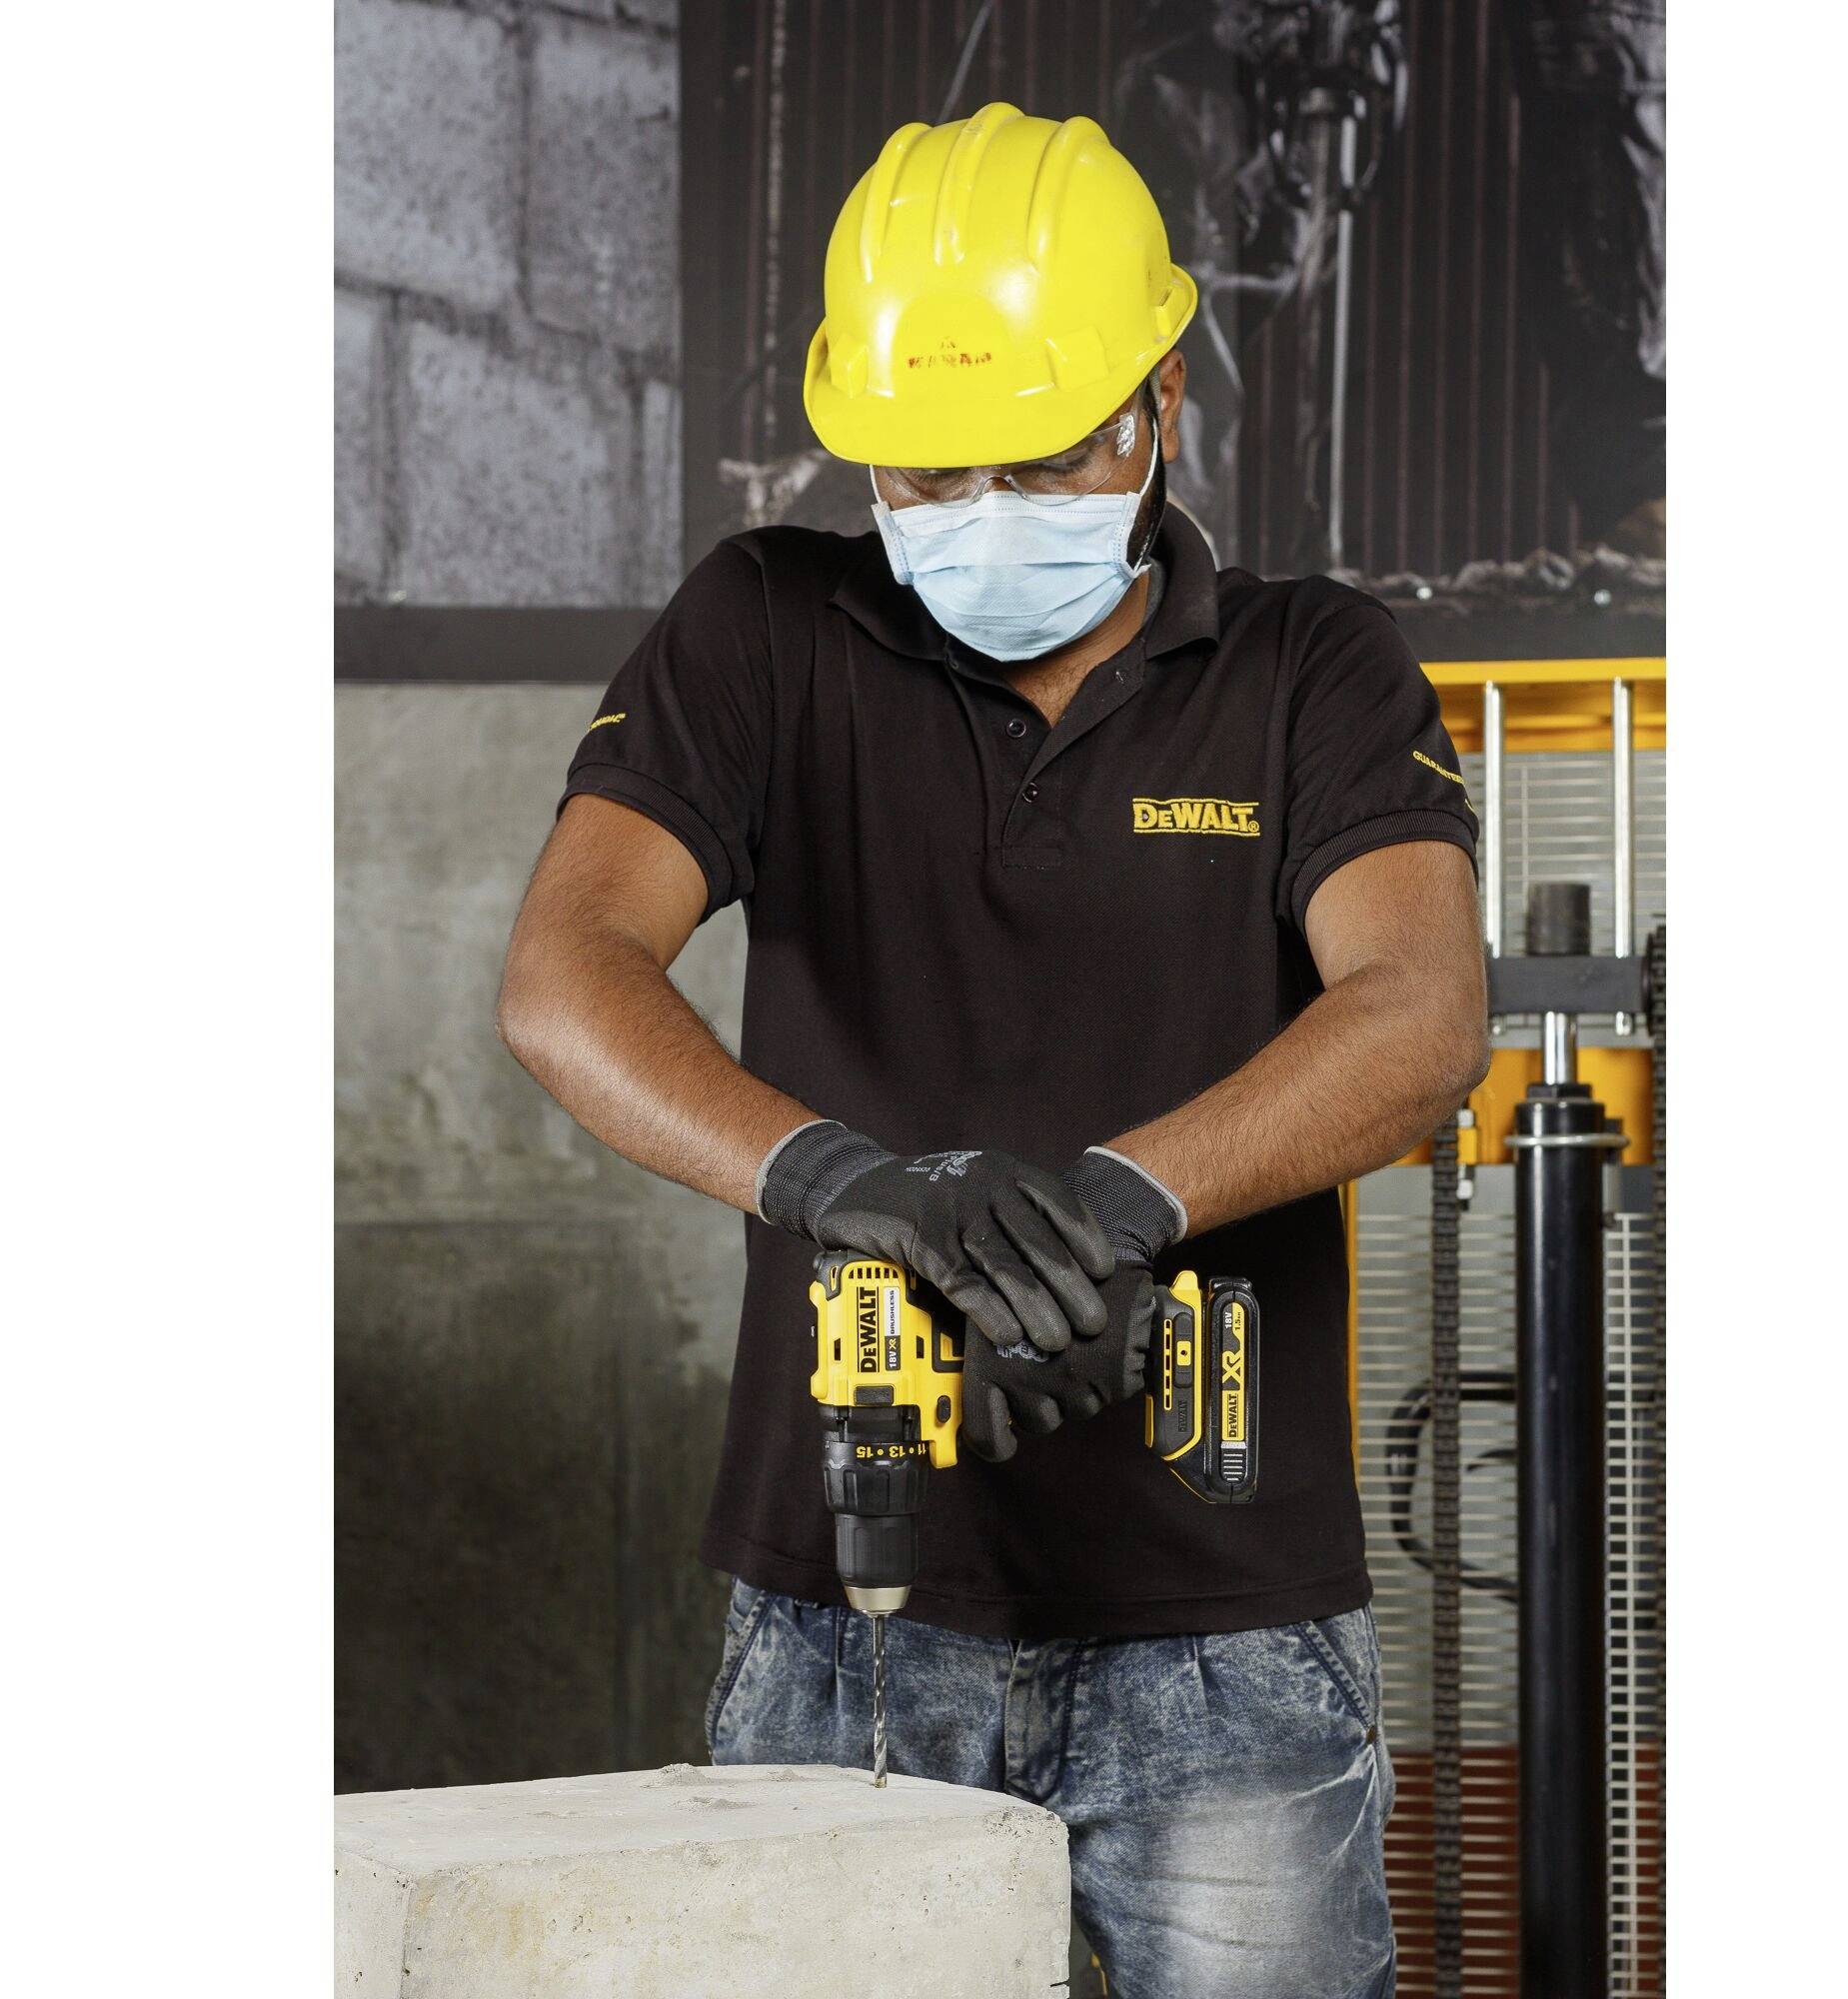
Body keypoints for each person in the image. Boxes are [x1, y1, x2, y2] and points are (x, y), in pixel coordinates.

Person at [499, 102, 1487, 1999]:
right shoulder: (762, 630)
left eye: (1033, 459)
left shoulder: (1314, 670)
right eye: (923, 474)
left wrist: (1115, 1211)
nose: (976, 513)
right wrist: (860, 1192)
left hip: (1227, 1624)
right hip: (843, 1609)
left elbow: (1416, 1015)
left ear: (1159, 405)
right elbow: (568, 971)